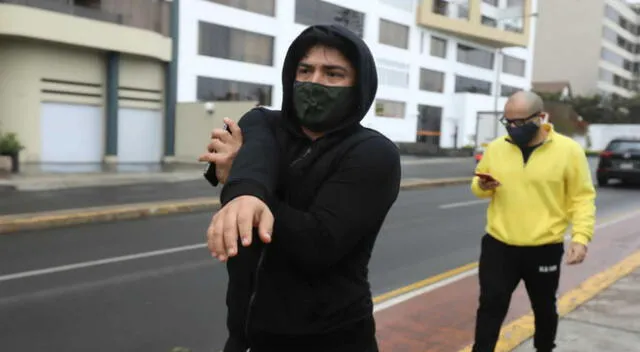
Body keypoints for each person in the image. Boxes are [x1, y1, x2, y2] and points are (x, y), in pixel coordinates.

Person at [199, 24, 401, 352]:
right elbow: (254, 164)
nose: (314, 81)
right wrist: (246, 190)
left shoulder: (373, 153)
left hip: (331, 338)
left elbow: (318, 244)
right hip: (246, 334)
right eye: (305, 70)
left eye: (333, 74)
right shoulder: (262, 124)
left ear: (359, 85)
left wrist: (248, 187)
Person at [470, 91, 596, 352]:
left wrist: (581, 238)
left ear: (540, 118)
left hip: (544, 248)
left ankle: (544, 348)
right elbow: (478, 186)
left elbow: (582, 198)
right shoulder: (496, 147)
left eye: (519, 122)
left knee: (544, 307)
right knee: (490, 307)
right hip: (499, 245)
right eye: (508, 122)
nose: (513, 128)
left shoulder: (568, 151)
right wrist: (483, 185)